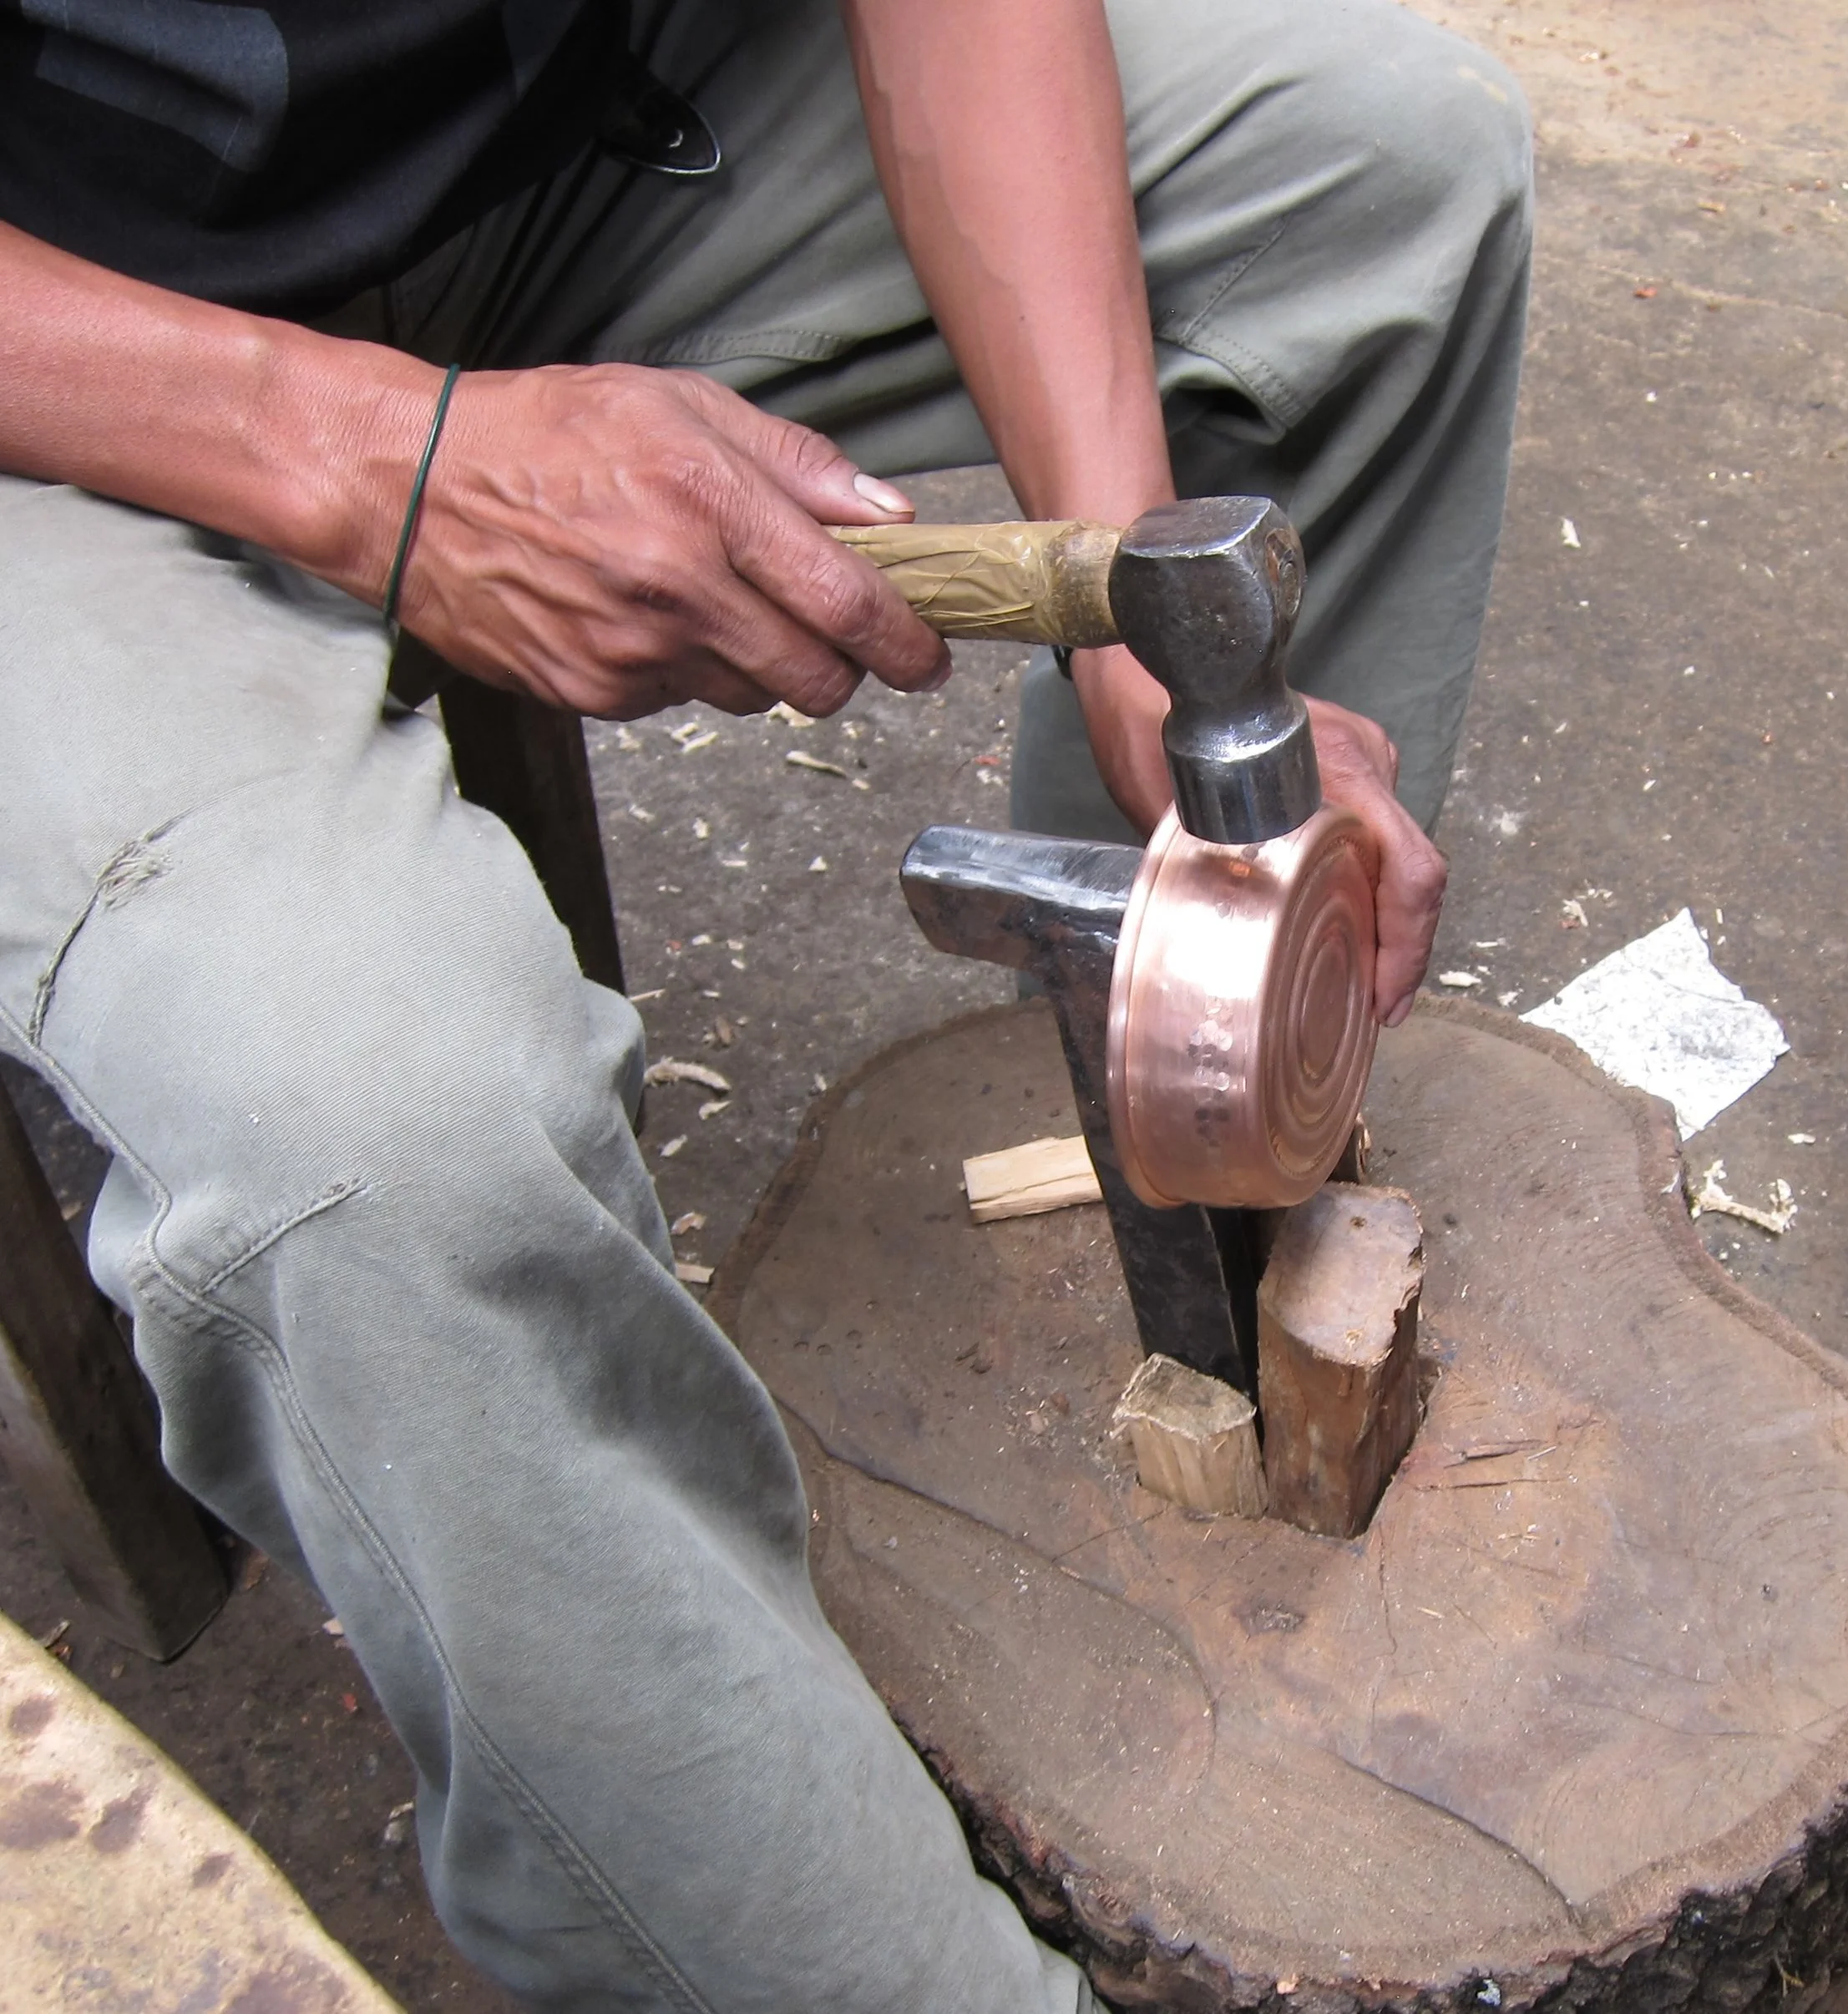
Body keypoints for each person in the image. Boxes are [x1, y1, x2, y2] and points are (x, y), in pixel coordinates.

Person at [0, 2, 1531, 2006]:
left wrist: (1121, 604)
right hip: (65, 333)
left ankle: (1154, 1083)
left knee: (1387, 171)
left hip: (534, 150)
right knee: (370, 1128)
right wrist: (379, 458)